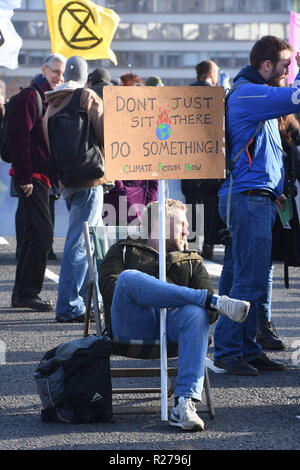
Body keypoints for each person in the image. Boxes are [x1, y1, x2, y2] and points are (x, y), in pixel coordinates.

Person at [98, 198, 250, 431]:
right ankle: (210, 299)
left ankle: (183, 403)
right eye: (182, 224)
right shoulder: (123, 250)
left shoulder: (191, 260)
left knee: (196, 313)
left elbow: (210, 317)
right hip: (132, 324)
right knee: (128, 278)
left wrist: (175, 300)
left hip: (173, 329)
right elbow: (110, 289)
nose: (188, 230)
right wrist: (160, 293)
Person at [213, 35, 300, 375]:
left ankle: (245, 348)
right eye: (284, 65)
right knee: (248, 279)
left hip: (252, 198)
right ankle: (229, 350)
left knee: (241, 275)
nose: (287, 71)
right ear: (266, 66)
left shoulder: (251, 93)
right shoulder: (251, 93)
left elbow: (264, 152)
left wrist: (276, 189)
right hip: (247, 200)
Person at [43, 56, 106, 323]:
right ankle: (69, 305)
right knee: (80, 243)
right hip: (91, 179)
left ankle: (84, 300)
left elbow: (48, 145)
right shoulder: (86, 96)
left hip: (67, 181)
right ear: (84, 76)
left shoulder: (51, 103)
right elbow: (105, 133)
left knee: (83, 241)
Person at [8, 53, 66, 311]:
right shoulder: (31, 97)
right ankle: (27, 293)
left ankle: (23, 293)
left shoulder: (45, 98)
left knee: (34, 236)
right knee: (41, 235)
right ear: (44, 69)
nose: (59, 77)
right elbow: (19, 139)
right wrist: (24, 176)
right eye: (55, 71)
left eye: (62, 73)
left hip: (37, 176)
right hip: (31, 178)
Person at [181, 60, 225, 259]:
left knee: (191, 205)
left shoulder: (184, 95)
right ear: (212, 73)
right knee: (210, 207)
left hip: (189, 161)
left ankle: (191, 246)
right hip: (211, 161)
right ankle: (208, 245)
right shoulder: (217, 96)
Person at [103, 72, 158, 225]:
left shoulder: (148, 126)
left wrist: (149, 200)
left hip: (140, 198)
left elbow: (154, 171)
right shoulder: (114, 124)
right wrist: (123, 193)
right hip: (120, 200)